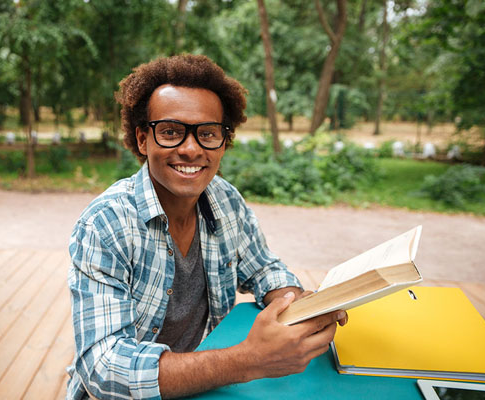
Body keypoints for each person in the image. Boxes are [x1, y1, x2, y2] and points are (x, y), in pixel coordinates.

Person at [67, 54, 347, 400]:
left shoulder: (224, 199)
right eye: (170, 132)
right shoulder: (106, 225)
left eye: (207, 134)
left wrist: (298, 302)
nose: (190, 149)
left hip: (203, 386)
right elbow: (103, 367)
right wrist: (248, 360)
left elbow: (263, 267)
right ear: (142, 140)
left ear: (223, 142)